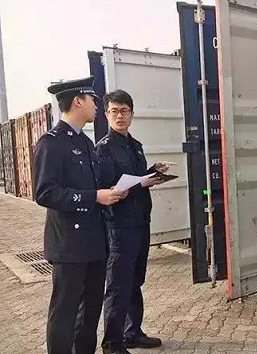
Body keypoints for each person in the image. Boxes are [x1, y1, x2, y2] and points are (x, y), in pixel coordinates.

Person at [34, 76, 128, 354]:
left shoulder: (85, 143)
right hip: (69, 246)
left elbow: (90, 186)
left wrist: (110, 192)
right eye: (93, 100)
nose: (97, 105)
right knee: (64, 313)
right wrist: (94, 197)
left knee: (89, 314)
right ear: (78, 101)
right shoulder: (52, 143)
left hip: (94, 242)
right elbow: (45, 193)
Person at [96, 89, 169, 354]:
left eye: (124, 111)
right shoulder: (103, 149)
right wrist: (141, 184)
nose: (119, 116)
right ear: (106, 115)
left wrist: (154, 173)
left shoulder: (135, 146)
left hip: (140, 222)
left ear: (132, 114)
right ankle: (112, 345)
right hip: (119, 226)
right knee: (117, 285)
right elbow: (106, 188)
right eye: (114, 111)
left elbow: (138, 179)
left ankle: (132, 332)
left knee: (134, 280)